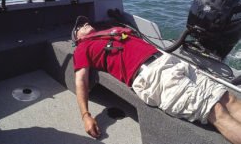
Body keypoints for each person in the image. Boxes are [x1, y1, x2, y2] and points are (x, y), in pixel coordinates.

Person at [72, 15, 241, 144]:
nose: (84, 24)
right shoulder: (82, 48)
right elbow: (81, 80)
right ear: (77, 38)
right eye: (79, 26)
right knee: (215, 110)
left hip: (170, 61)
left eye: (85, 22)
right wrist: (85, 115)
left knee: (228, 98)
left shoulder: (110, 32)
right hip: (152, 76)